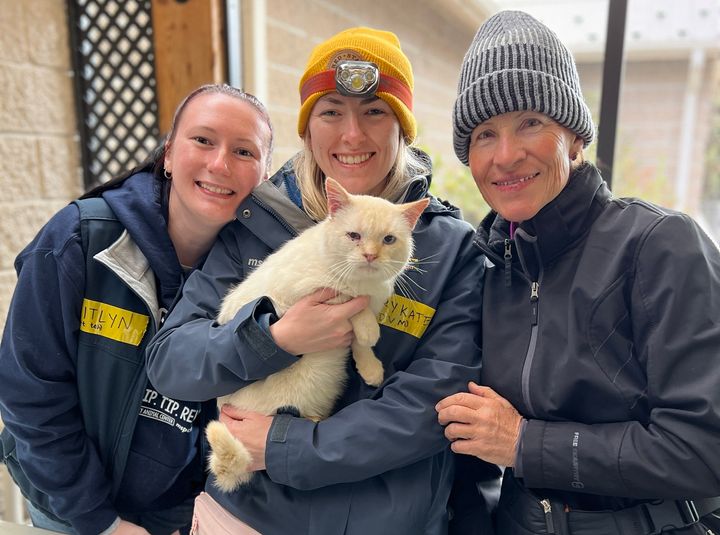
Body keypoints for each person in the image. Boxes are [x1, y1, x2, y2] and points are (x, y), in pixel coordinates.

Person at [146, 27, 486, 534]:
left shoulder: (448, 249)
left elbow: (432, 405)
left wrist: (285, 447)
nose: (352, 135)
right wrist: (270, 339)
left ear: (404, 129)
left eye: (375, 110)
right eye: (330, 112)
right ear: (306, 130)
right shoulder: (250, 226)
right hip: (243, 517)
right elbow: (172, 362)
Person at [436, 10, 720, 535]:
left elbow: (703, 448)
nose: (505, 155)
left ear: (574, 137)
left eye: (530, 123)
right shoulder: (487, 268)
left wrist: (524, 443)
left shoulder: (662, 246)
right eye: (483, 134)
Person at [0, 84, 274, 535]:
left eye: (244, 151)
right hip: (74, 509)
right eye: (203, 140)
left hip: (186, 513)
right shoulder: (79, 241)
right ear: (168, 155)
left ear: (262, 178)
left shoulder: (259, 276)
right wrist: (103, 523)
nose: (220, 163)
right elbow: (30, 394)